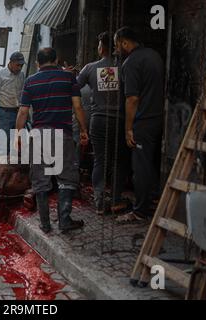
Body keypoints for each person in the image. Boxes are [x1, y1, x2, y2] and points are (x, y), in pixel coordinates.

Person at [16, 48, 89, 234]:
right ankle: (64, 220)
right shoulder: (68, 78)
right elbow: (78, 106)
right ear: (56, 59)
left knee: (40, 181)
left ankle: (45, 224)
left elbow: (23, 112)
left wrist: (18, 135)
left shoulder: (30, 81)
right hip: (62, 135)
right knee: (67, 178)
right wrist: (83, 130)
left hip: (38, 135)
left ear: (37, 63)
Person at [113, 27, 165, 224]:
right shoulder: (154, 55)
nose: (116, 49)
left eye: (117, 44)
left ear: (125, 43)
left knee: (140, 167)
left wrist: (128, 128)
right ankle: (150, 200)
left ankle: (140, 211)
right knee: (150, 163)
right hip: (157, 118)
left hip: (143, 121)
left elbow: (132, 99)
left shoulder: (131, 62)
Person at [77, 32, 130, 215]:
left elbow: (74, 88)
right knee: (119, 161)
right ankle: (115, 200)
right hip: (119, 120)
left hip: (98, 120)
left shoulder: (90, 68)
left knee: (100, 160)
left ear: (101, 47)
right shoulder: (124, 67)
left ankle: (99, 202)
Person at [0, 52, 26, 156]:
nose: (19, 68)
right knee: (4, 142)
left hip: (18, 112)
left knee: (17, 140)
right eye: (18, 65)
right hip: (4, 112)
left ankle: (12, 166)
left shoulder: (21, 75)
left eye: (21, 65)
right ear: (11, 62)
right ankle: (1, 165)